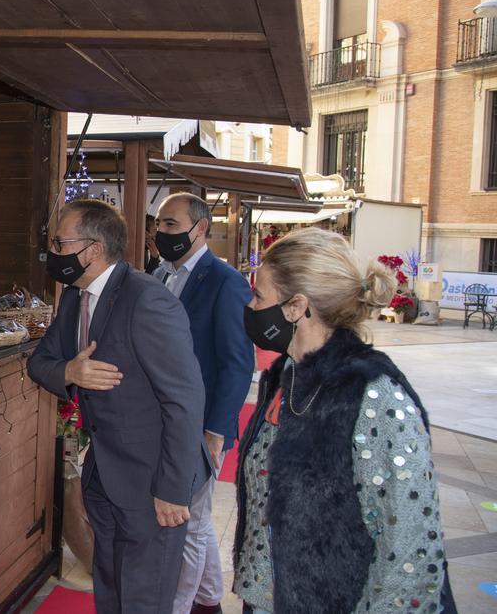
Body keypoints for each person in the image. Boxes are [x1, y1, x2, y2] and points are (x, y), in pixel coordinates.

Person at [234, 228, 456, 613]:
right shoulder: (286, 377)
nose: (250, 307)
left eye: (258, 296)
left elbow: (409, 553)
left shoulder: (375, 395)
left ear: (295, 307)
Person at [28, 199, 210, 614]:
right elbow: (40, 363)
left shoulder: (147, 299)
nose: (52, 252)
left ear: (92, 250)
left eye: (59, 243)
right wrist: (70, 373)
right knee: (110, 591)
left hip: (154, 482)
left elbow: (185, 398)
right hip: (105, 477)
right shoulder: (75, 297)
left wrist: (172, 490)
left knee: (144, 599)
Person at [152, 193, 254, 614]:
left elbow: (237, 364)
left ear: (200, 229)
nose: (162, 233)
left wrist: (216, 431)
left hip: (201, 425)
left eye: (171, 225)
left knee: (188, 522)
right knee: (198, 518)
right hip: (163, 417)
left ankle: (178, 606)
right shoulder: (158, 274)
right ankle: (209, 599)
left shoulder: (226, 281)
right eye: (159, 224)